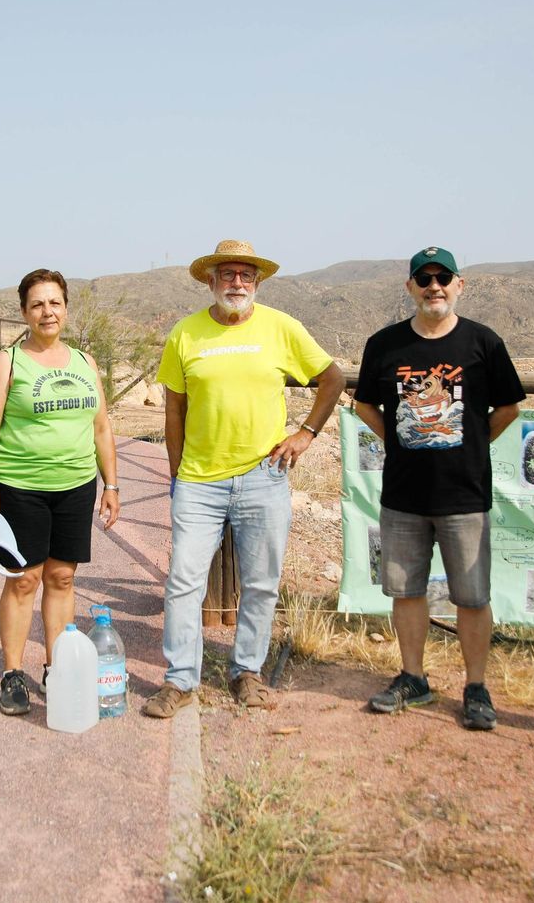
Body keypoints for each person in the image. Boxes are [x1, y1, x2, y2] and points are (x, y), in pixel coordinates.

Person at [141, 240, 346, 718]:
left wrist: (306, 433)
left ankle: (246, 672)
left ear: (256, 283)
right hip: (198, 481)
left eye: (246, 275)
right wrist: (176, 474)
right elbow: (174, 407)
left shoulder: (280, 327)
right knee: (184, 583)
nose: (237, 283)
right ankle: (179, 682)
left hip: (264, 476)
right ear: (210, 281)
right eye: (228, 274)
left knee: (261, 584)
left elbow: (331, 377)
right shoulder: (185, 334)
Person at [353, 247, 525, 728]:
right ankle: (413, 678)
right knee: (406, 592)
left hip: (464, 495)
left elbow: (509, 406)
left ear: (459, 284)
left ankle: (476, 687)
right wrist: (400, 439)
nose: (434, 286)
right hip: (403, 495)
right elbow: (364, 404)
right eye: (423, 278)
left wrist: (471, 442)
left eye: (443, 277)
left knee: (471, 595)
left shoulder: (483, 343)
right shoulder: (383, 345)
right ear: (410, 287)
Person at [0, 269, 120, 716]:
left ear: (66, 309)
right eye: (37, 304)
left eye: (54, 302)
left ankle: (57, 668)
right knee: (25, 580)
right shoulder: (9, 362)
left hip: (76, 487)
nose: (47, 311)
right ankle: (12, 673)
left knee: (62, 578)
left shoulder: (84, 362)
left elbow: (101, 427)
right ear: (24, 312)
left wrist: (110, 483)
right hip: (21, 489)